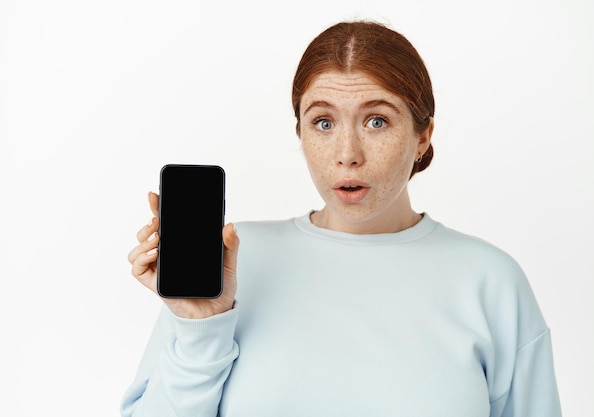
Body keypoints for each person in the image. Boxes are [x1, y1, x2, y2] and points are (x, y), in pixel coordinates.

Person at [122, 21, 562, 417]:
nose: (347, 155)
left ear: (423, 135)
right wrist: (200, 328)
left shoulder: (490, 280)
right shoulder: (231, 260)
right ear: (301, 132)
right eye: (324, 123)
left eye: (376, 121)